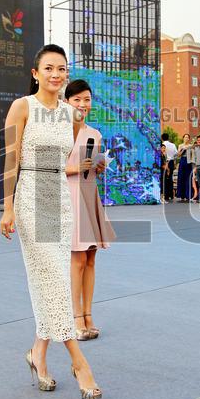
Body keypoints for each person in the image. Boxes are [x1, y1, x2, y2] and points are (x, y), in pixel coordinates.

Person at [0, 44, 102, 399]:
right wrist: (7, 207)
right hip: (30, 196)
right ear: (35, 73)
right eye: (49, 68)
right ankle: (79, 361)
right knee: (56, 280)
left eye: (62, 69)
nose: (56, 75)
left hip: (59, 199)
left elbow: (67, 162)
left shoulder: (68, 114)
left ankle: (37, 354)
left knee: (51, 279)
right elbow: (11, 160)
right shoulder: (22, 107)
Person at [65, 79, 116, 340]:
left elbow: (92, 166)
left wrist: (98, 166)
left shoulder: (94, 134)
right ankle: (75, 318)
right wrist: (79, 167)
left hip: (89, 195)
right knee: (77, 259)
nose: (83, 104)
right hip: (69, 197)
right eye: (77, 100)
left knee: (91, 258)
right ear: (66, 102)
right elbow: (50, 168)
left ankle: (88, 315)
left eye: (87, 99)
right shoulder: (58, 131)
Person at [161, 133, 178, 203]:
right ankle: (170, 195)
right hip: (170, 162)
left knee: (164, 179)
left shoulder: (161, 145)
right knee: (170, 178)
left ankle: (164, 195)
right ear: (168, 137)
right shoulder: (173, 145)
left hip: (164, 162)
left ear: (162, 138)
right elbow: (176, 154)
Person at [176, 134, 193, 202]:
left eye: (187, 137)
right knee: (181, 177)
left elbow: (192, 155)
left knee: (188, 178)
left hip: (189, 162)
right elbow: (178, 155)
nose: (186, 138)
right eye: (185, 137)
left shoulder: (191, 146)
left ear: (189, 139)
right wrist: (183, 149)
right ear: (183, 138)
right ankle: (181, 195)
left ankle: (188, 195)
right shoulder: (180, 145)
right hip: (182, 161)